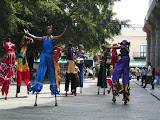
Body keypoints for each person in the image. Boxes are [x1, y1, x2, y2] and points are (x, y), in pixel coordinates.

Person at [24, 25, 67, 95]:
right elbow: (35, 37)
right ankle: (37, 86)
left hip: (50, 55)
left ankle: (53, 88)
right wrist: (28, 33)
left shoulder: (53, 38)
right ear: (46, 31)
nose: (49, 31)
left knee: (52, 70)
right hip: (44, 55)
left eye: (50, 30)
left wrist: (65, 31)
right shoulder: (43, 38)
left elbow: (60, 36)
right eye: (48, 30)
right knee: (41, 69)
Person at [111, 40, 130, 104]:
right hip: (127, 59)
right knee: (125, 74)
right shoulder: (127, 48)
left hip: (124, 59)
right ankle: (125, 97)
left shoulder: (123, 47)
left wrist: (110, 47)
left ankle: (115, 79)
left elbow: (117, 47)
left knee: (117, 70)